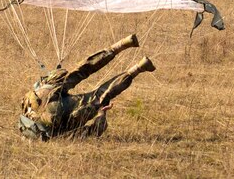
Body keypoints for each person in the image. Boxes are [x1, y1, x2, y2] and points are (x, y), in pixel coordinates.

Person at [19, 34, 154, 140]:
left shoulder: (54, 137)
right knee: (81, 70)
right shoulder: (25, 113)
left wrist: (101, 112)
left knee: (101, 96)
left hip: (54, 114)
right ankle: (121, 44)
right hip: (39, 95)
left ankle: (139, 67)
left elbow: (93, 131)